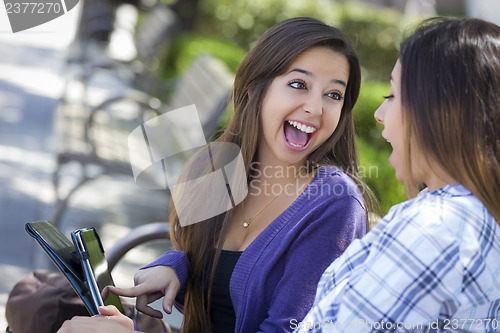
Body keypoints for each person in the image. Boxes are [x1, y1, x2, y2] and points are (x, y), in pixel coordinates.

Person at [58, 17, 377, 333]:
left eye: (334, 95)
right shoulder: (217, 170)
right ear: (255, 90)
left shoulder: (334, 204)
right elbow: (209, 269)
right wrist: (177, 267)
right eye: (298, 85)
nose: (316, 108)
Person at [292, 17, 500, 332]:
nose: (378, 114)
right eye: (297, 85)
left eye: (392, 95)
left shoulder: (434, 229)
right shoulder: (461, 215)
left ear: (438, 111)